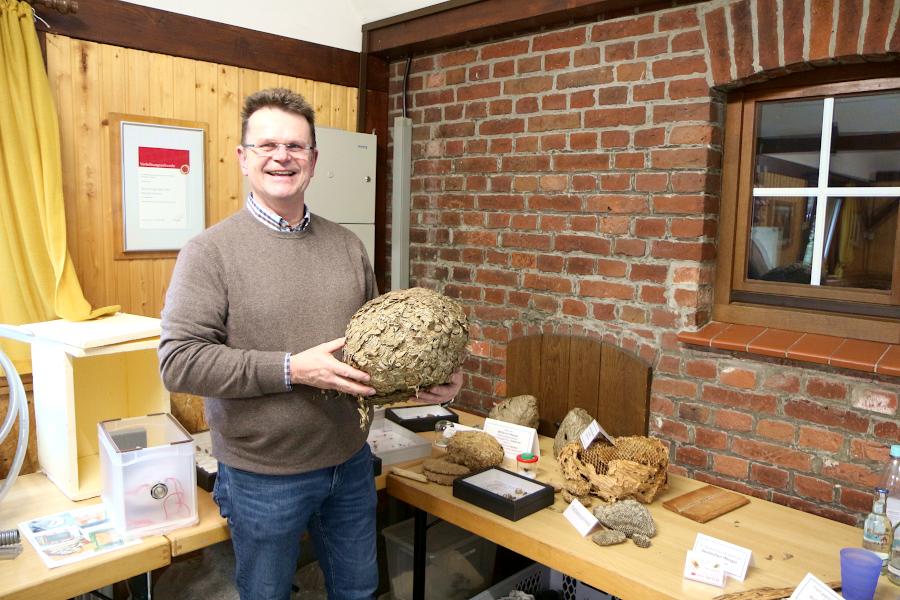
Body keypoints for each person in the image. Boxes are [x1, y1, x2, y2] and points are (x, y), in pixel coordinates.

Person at [158, 88, 462, 600]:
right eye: (267, 145)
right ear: (243, 158)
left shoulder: (347, 245)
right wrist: (291, 369)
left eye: (296, 146)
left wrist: (425, 381)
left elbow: (372, 355)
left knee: (358, 591)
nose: (282, 157)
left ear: (314, 160)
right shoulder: (208, 253)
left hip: (349, 463)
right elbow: (179, 362)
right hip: (263, 478)